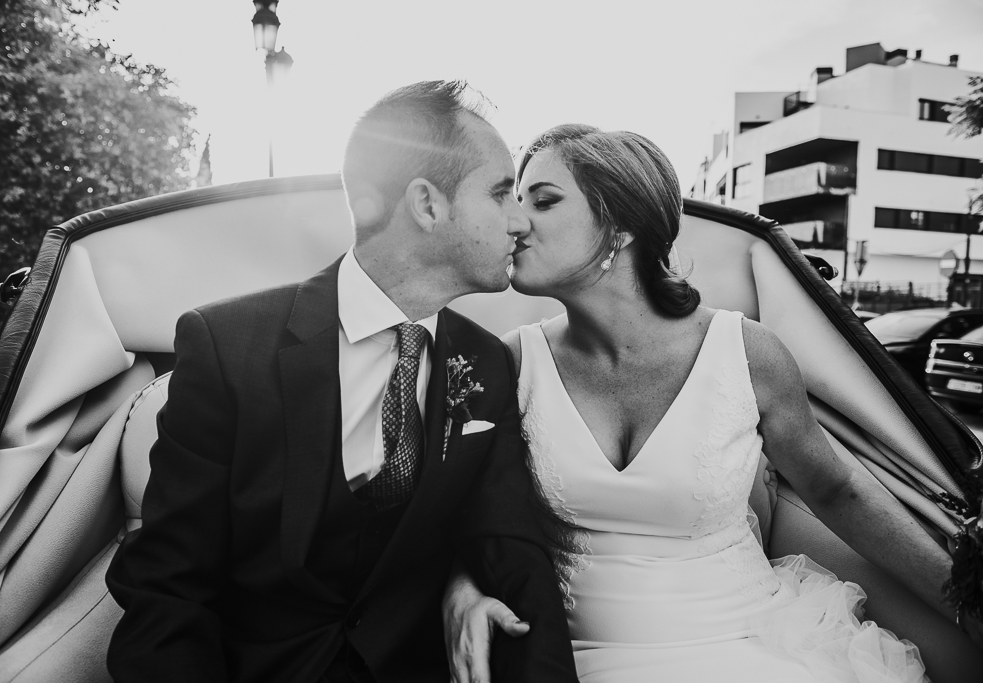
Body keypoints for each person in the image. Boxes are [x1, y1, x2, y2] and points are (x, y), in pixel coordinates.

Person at [443, 123, 983, 682]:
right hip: (569, 656)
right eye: (514, 200)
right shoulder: (511, 361)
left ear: (622, 225)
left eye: (545, 201)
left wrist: (965, 607)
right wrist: (460, 590)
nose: (515, 220)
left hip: (753, 644)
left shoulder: (747, 354)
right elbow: (463, 511)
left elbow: (837, 490)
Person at [105, 82, 578, 683]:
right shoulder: (227, 346)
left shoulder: (485, 363)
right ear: (427, 205)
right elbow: (169, 587)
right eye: (500, 193)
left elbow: (511, 551)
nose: (519, 221)